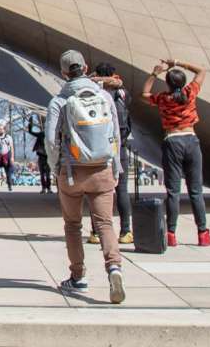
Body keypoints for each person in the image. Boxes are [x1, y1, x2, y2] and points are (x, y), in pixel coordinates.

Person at [44, 50, 125, 304]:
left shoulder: (59, 101)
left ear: (63, 73)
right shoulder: (104, 97)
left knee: (73, 225)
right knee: (105, 224)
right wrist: (116, 166)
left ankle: (78, 276)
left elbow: (49, 140)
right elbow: (116, 135)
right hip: (102, 170)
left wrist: (55, 165)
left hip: (71, 172)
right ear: (86, 67)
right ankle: (114, 268)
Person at [141, 57, 210, 247]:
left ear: (167, 83)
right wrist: (178, 62)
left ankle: (171, 234)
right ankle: (203, 234)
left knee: (173, 191)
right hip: (191, 139)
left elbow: (144, 94)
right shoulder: (190, 92)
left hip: (172, 141)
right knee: (196, 191)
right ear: (182, 82)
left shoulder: (163, 99)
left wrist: (155, 72)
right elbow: (201, 71)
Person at [92, 63, 133, 244]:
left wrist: (95, 77)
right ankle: (126, 231)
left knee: (98, 190)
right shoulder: (122, 92)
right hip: (120, 145)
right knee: (121, 190)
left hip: (100, 146)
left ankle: (96, 232)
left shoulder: (94, 92)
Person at [27, 115, 52, 194]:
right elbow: (30, 132)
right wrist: (30, 124)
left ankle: (48, 188)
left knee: (47, 173)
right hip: (41, 156)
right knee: (42, 173)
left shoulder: (51, 135)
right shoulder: (41, 134)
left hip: (48, 156)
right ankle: (44, 188)